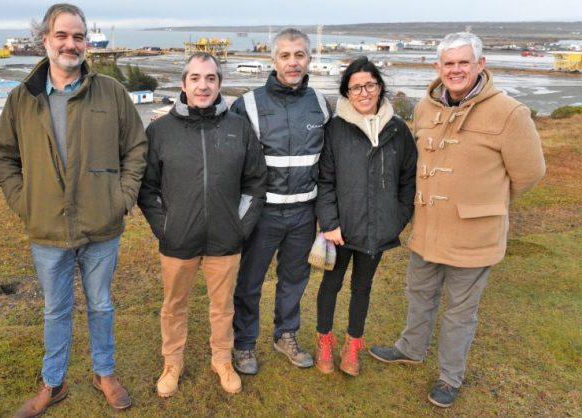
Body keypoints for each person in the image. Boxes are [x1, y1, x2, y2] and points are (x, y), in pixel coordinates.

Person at [368, 32, 545, 407]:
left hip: (475, 235)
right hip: (428, 228)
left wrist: (489, 202)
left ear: (481, 64)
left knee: (460, 313)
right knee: (418, 295)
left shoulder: (510, 113)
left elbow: (529, 173)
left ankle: (450, 377)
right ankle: (411, 349)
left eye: (464, 62)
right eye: (449, 63)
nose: (456, 70)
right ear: (438, 68)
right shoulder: (425, 107)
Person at [0, 3, 147, 416]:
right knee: (55, 309)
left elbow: (136, 147)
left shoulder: (110, 92)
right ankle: (53, 383)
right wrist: (23, 201)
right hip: (46, 229)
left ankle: (104, 372)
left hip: (102, 225)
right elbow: (3, 156)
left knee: (101, 305)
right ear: (45, 40)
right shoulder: (22, 98)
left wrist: (123, 196)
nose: (71, 44)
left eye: (79, 36)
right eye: (62, 35)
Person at [138, 53, 266, 397]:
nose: (203, 85)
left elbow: (255, 184)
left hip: (226, 239)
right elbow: (147, 188)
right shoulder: (160, 131)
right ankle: (172, 363)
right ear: (183, 84)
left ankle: (222, 360)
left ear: (219, 84)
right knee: (173, 306)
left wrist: (239, 227)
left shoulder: (239, 128)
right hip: (177, 239)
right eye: (195, 78)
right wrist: (165, 227)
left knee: (223, 307)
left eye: (210, 78)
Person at [231, 27, 332, 374]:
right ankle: (243, 344)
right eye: (285, 56)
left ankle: (285, 334)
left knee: (294, 279)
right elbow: (232, 164)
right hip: (263, 213)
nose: (293, 62)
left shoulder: (320, 104)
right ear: (273, 60)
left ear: (309, 59)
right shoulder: (246, 105)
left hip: (304, 213)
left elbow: (329, 163)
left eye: (299, 55)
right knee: (249, 282)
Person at [313, 56, 417, 377]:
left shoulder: (398, 130)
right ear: (346, 92)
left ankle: (353, 347)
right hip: (340, 230)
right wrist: (330, 223)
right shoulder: (335, 129)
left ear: (380, 87)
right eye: (355, 87)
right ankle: (324, 342)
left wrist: (397, 218)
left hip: (378, 229)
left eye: (369, 85)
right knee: (331, 284)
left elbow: (408, 180)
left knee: (362, 288)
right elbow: (324, 179)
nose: (363, 92)